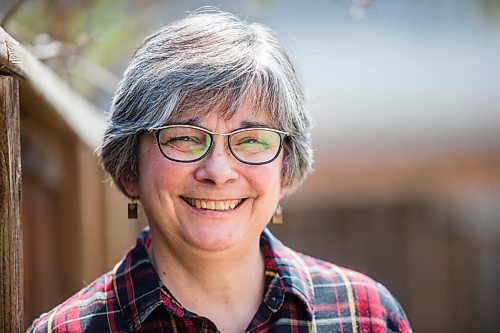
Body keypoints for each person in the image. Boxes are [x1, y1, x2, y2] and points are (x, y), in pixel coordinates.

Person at [28, 9, 412, 333]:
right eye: (183, 138)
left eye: (251, 140)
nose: (218, 171)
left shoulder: (368, 316)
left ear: (285, 169)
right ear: (130, 169)